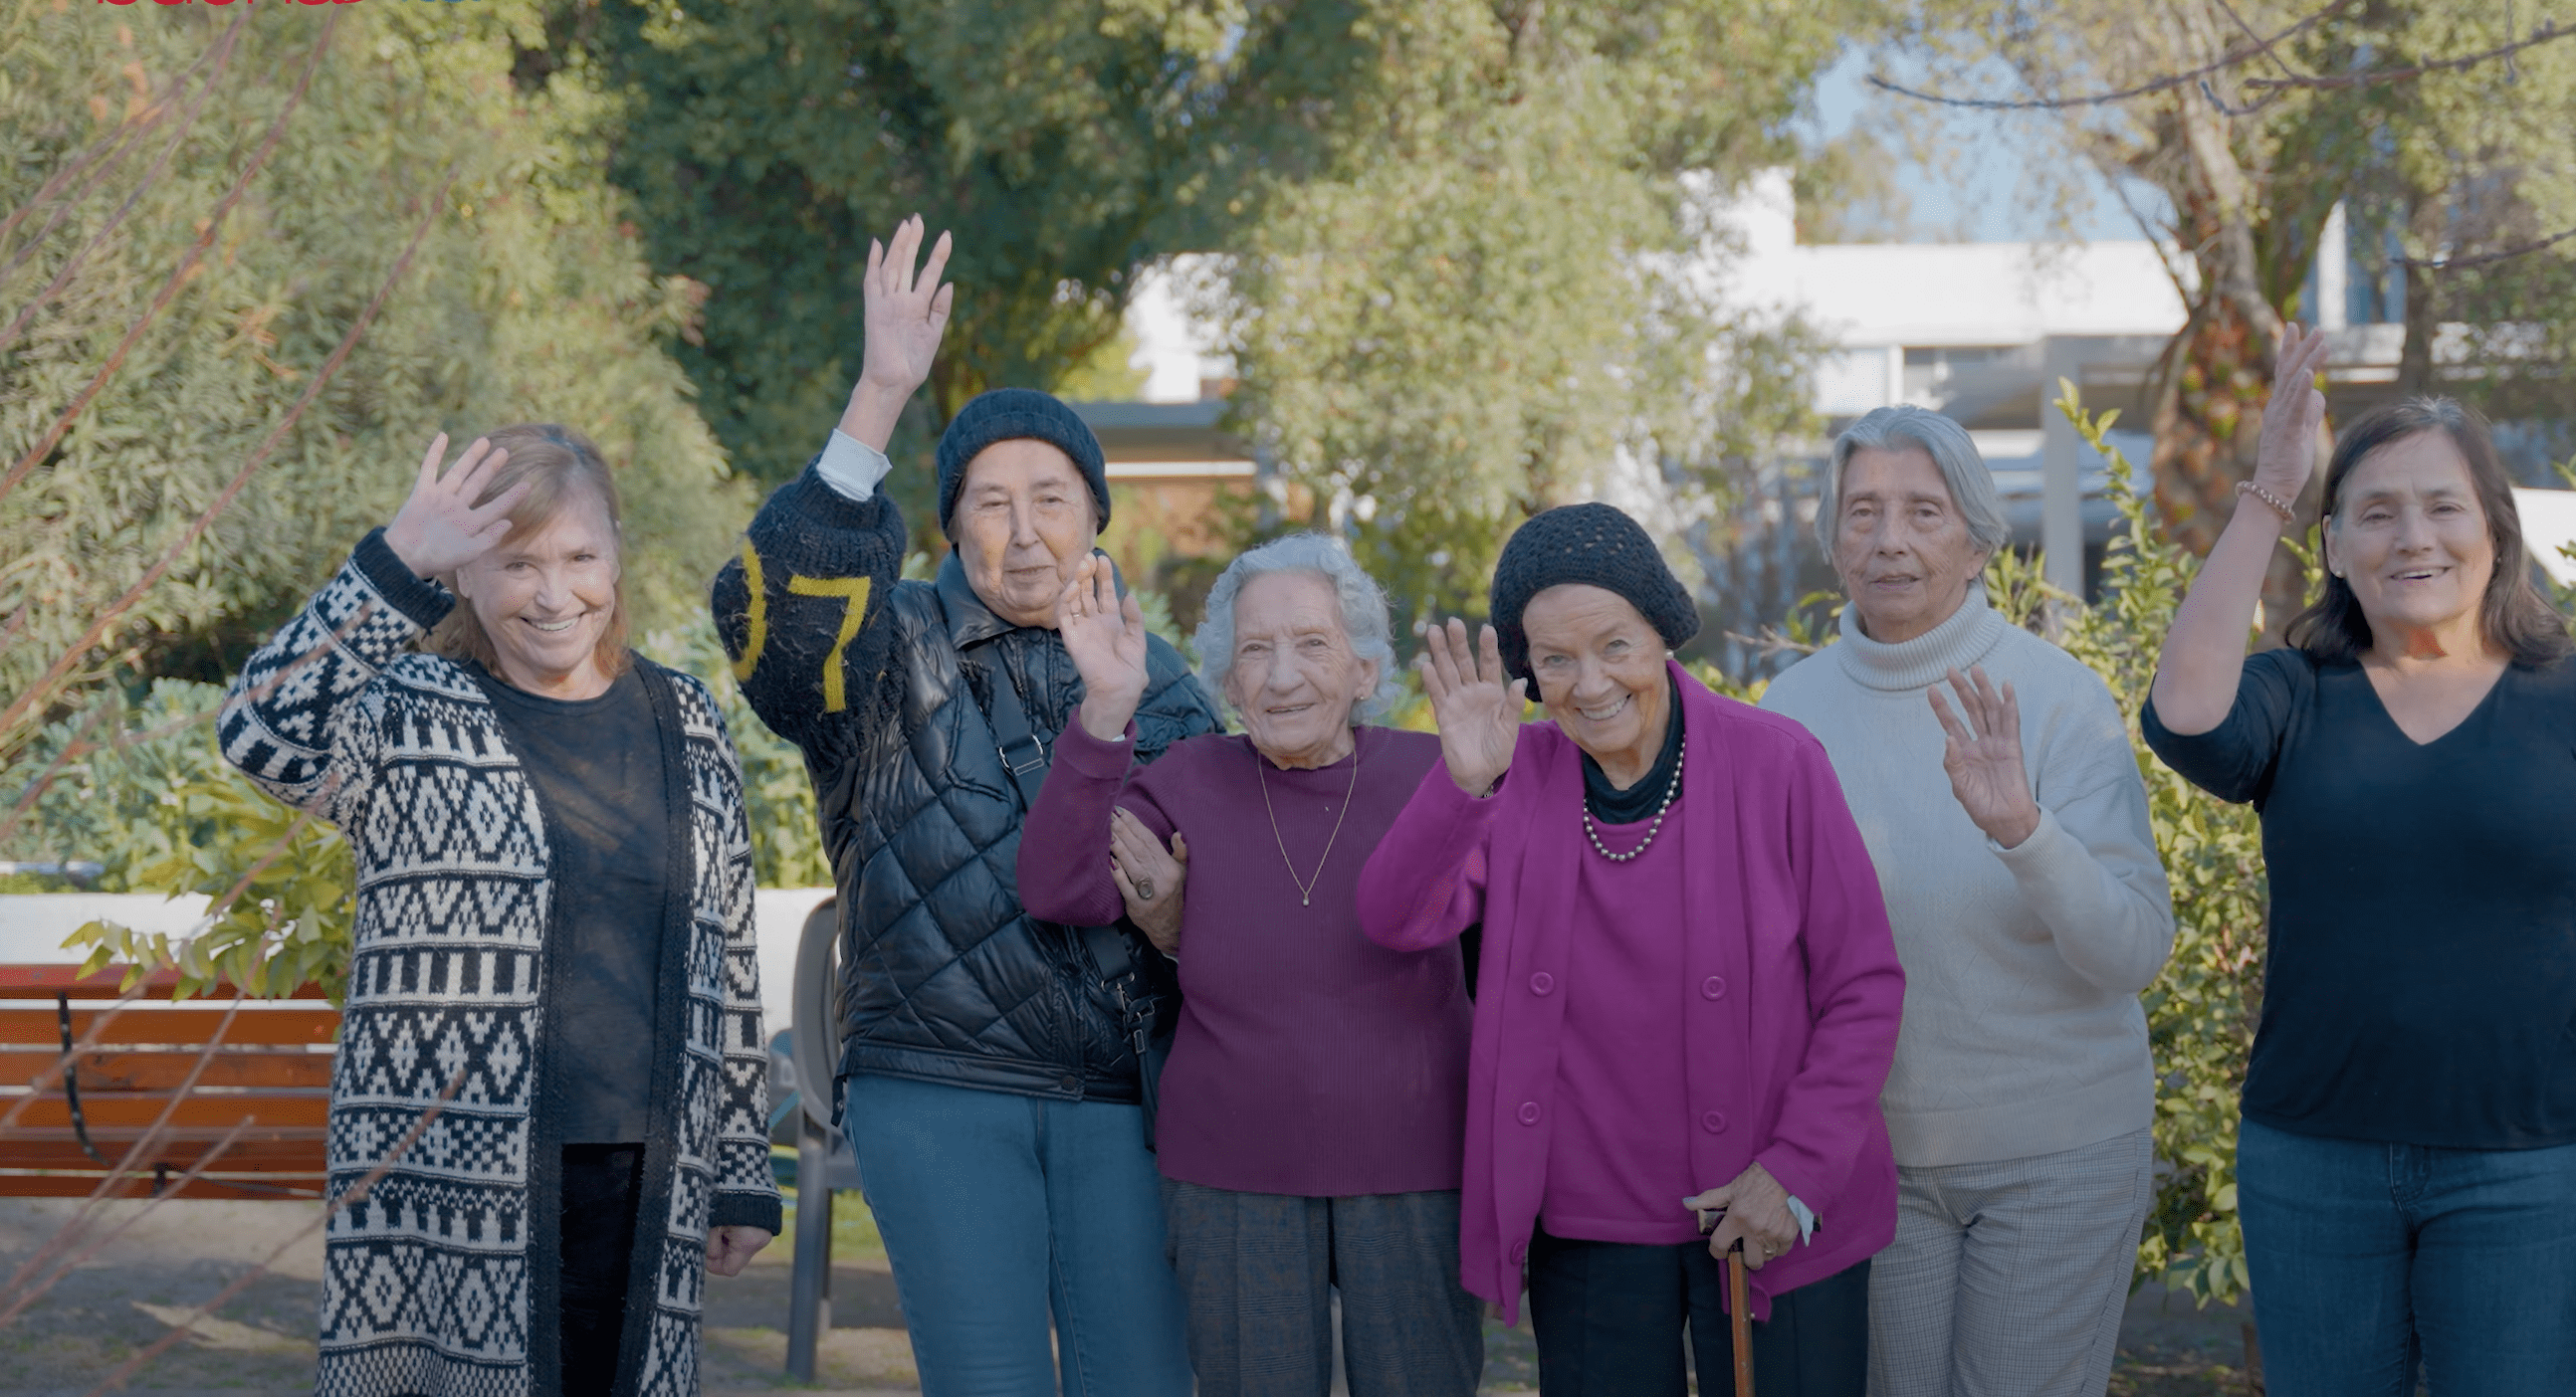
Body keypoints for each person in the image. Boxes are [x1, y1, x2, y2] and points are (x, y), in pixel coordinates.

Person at [2141, 327, 2576, 1395]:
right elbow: (2183, 714)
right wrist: (2269, 489)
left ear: (2495, 530)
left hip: (2533, 1180)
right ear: (2335, 546)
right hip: (2313, 1171)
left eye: (2443, 505)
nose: (2414, 535)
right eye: (2375, 510)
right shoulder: (2292, 693)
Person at [709, 217, 1215, 1397]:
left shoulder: (1172, 686)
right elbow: (775, 638)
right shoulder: (889, 651)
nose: (1024, 531)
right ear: (949, 526)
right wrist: (881, 396)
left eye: (1052, 497)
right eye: (990, 504)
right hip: (939, 1088)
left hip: (1122, 1107)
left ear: (1097, 516)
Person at [217, 427, 779, 1396]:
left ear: (616, 556)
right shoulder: (409, 717)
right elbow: (258, 733)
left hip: (648, 1173)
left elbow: (727, 951)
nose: (556, 595)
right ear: (464, 580)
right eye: (517, 563)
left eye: (579, 557)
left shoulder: (686, 718)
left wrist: (739, 1168)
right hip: (456, 1181)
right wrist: (393, 565)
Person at [1356, 502, 1906, 1397]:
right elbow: (1395, 919)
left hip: (1769, 1205)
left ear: (1661, 636)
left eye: (1614, 645)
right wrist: (1462, 784)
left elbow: (1864, 988)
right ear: (1527, 671)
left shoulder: (1779, 765)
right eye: (1555, 659)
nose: (1590, 683)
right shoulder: (1513, 778)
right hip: (1592, 1229)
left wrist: (1795, 1173)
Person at [1759, 406, 2175, 1397]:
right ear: (1831, 540)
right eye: (1862, 512)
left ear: (1982, 540)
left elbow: (2133, 953)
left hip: (2057, 1153)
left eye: (1923, 512)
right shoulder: (1787, 716)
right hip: (1876, 1156)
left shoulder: (2058, 698)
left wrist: (2025, 831)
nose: (1889, 539)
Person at [1014, 531, 1483, 1397]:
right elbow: (1056, 888)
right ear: (1227, 684)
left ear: (1367, 669)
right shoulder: (1188, 777)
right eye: (1255, 651)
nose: (1282, 675)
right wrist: (1107, 710)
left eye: (1313, 644)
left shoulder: (1442, 773)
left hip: (1416, 1163)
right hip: (1232, 1173)